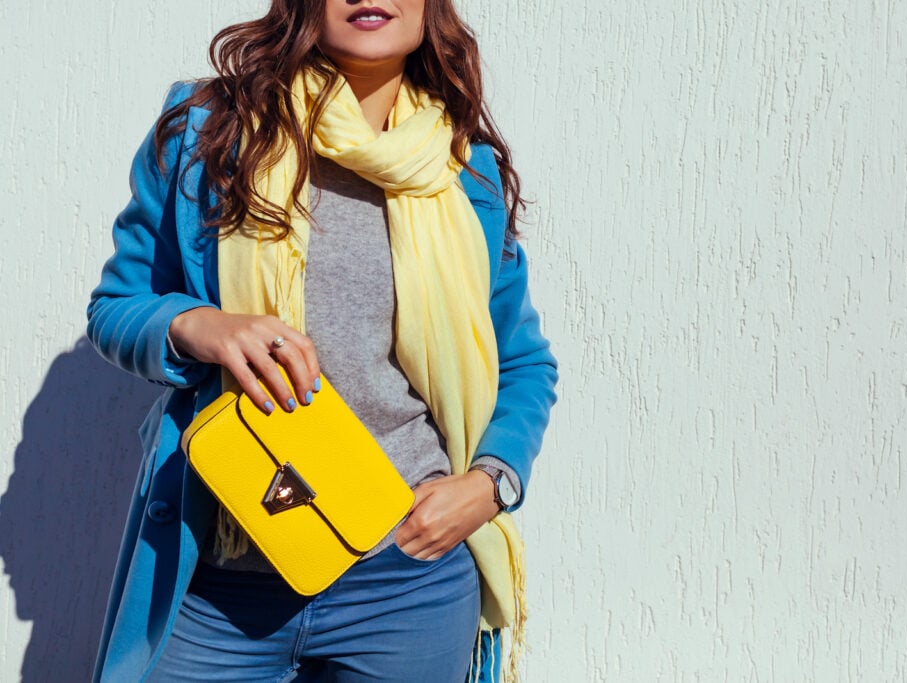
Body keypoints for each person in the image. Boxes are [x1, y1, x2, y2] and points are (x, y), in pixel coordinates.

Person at [86, 0, 557, 680]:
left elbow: (521, 361)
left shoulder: (460, 171)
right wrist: (200, 326)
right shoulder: (211, 133)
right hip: (223, 571)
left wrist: (490, 484)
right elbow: (117, 306)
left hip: (407, 578)